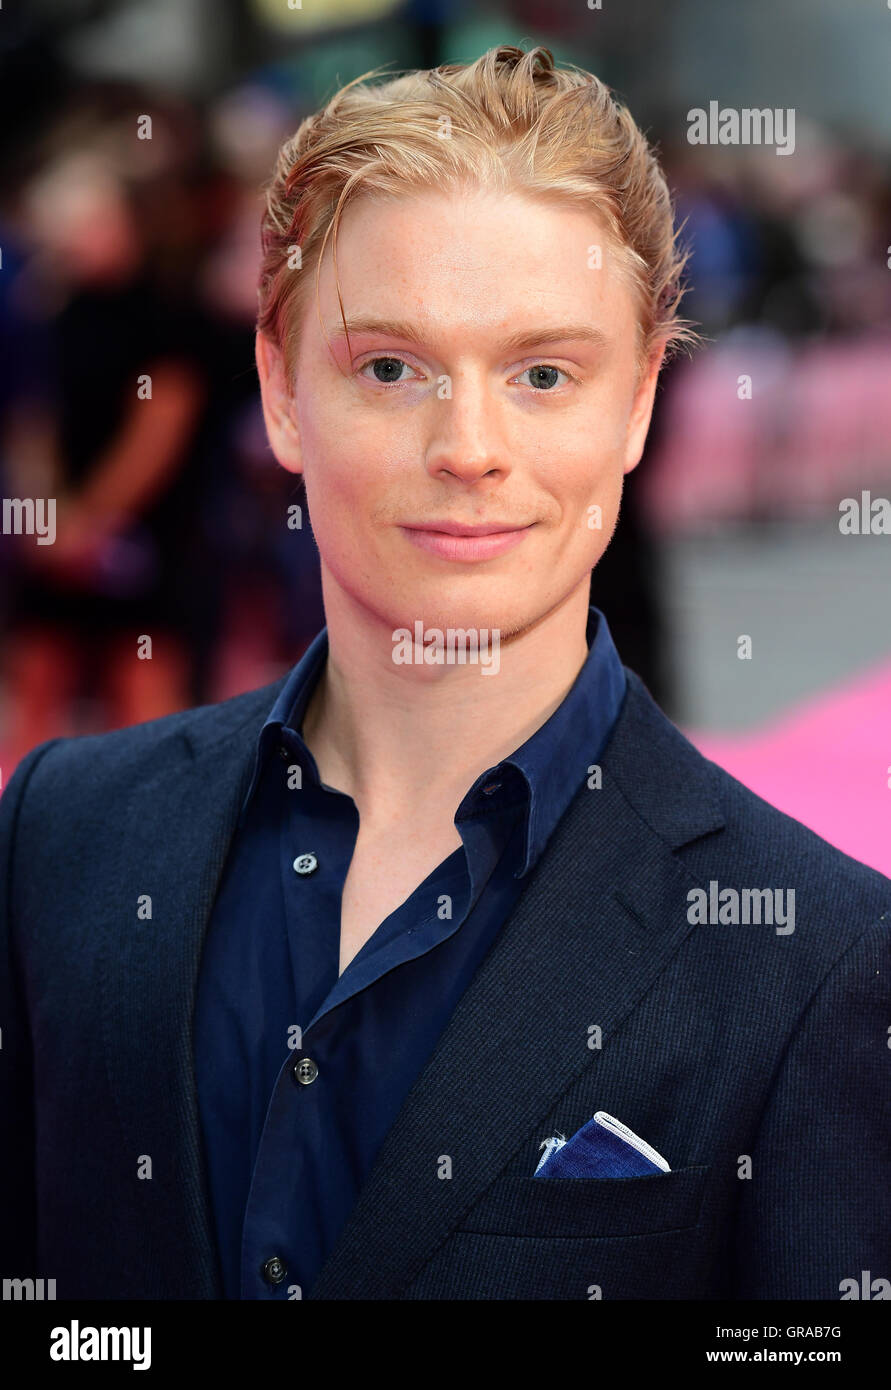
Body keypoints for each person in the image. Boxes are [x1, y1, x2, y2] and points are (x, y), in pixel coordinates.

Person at [1, 45, 888, 1302]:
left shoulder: (817, 959)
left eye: (542, 374)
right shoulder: (60, 839)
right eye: (390, 368)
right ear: (281, 390)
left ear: (638, 404)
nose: (469, 448)